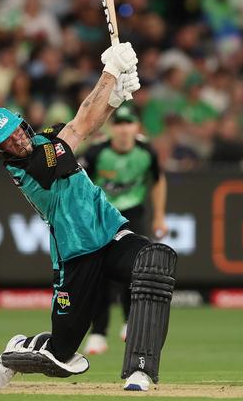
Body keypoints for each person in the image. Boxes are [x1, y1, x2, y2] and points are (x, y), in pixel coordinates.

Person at [0, 42, 177, 392]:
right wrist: (110, 73)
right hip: (76, 255)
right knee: (63, 354)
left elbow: (87, 121)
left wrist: (117, 96)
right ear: (0, 151)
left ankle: (140, 370)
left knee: (154, 263)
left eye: (17, 132)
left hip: (110, 233)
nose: (19, 142)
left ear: (23, 124)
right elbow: (82, 124)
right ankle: (17, 352)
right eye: (8, 141)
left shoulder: (44, 141)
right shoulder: (29, 170)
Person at [79, 104, 168, 355]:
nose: (123, 129)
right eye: (118, 124)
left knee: (136, 271)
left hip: (133, 214)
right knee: (99, 275)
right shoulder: (97, 152)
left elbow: (158, 181)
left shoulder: (146, 152)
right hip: (102, 216)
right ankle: (98, 333)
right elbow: (77, 183)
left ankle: (130, 323)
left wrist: (159, 216)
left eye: (129, 123)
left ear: (137, 127)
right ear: (111, 128)